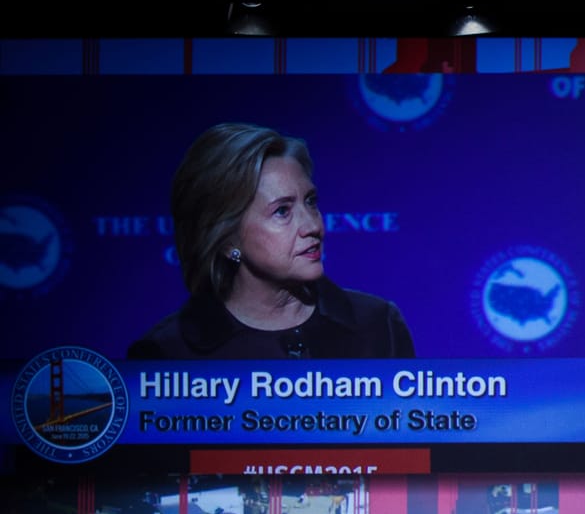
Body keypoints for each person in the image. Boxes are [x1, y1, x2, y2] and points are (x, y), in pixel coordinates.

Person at [131, 123, 415, 360]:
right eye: (282, 211)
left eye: (311, 202)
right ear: (227, 239)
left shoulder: (378, 326)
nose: (313, 225)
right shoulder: (166, 353)